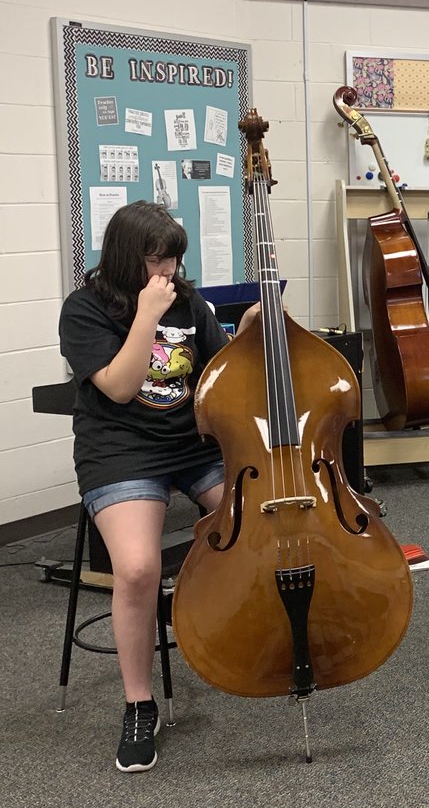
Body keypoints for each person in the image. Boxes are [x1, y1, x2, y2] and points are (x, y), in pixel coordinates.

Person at [58, 201, 242, 773]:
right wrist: (145, 316)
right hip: (120, 449)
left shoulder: (186, 300)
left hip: (191, 444)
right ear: (127, 257)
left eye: (175, 259)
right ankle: (139, 703)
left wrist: (250, 336)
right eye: (159, 259)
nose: (169, 271)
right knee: (137, 569)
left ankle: (251, 639)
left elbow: (219, 370)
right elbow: (117, 387)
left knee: (259, 523)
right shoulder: (84, 309)